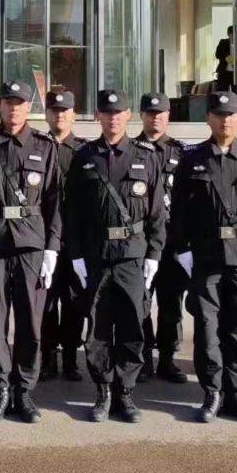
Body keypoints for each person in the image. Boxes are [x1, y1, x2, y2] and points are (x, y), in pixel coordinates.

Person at [64, 90, 166, 423]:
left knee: (131, 326)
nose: (113, 118)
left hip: (132, 257)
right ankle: (103, 391)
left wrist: (154, 254)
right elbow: (72, 212)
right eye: (107, 113)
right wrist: (75, 254)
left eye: (119, 113)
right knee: (97, 329)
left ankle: (126, 392)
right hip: (96, 256)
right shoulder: (84, 157)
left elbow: (156, 213)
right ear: (98, 116)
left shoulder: (146, 156)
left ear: (128, 116)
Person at [170, 91, 237, 423]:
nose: (225, 120)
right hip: (206, 254)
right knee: (207, 326)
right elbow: (178, 209)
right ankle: (212, 391)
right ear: (208, 119)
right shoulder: (192, 158)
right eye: (218, 114)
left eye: (231, 115)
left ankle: (236, 393)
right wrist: (182, 249)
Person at [0, 80, 61, 423]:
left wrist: (52, 248)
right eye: (8, 102)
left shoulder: (44, 146)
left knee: (30, 323)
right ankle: (1, 389)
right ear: (0, 106)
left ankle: (24, 390)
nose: (14, 108)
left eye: (19, 103)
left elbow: (54, 202)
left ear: (28, 107)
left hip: (32, 245)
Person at [135, 92, 187, 384]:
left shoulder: (182, 153)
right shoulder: (132, 150)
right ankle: (143, 358)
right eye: (150, 113)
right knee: (141, 302)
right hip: (141, 241)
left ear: (168, 116)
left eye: (161, 114)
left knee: (171, 304)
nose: (155, 118)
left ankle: (168, 358)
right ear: (142, 116)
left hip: (171, 241)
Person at [39, 87, 88, 382]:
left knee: (73, 302)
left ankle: (70, 358)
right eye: (54, 111)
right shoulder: (37, 146)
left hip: (74, 239)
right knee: (45, 301)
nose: (59, 116)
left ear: (73, 115)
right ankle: (47, 358)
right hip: (43, 239)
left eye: (65, 111)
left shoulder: (84, 151)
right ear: (46, 114)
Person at [214, 26, 234, 91]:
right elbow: (217, 55)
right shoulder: (223, 42)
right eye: (231, 34)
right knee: (223, 92)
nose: (233, 36)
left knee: (235, 93)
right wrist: (227, 58)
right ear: (228, 34)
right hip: (224, 72)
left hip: (235, 73)